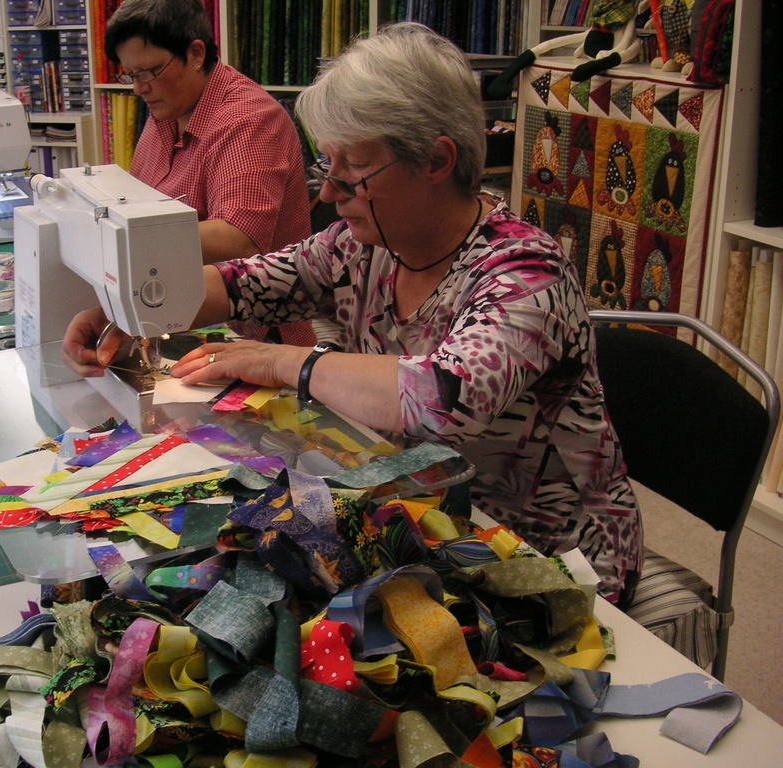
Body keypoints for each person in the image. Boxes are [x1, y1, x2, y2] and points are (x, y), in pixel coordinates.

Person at [64, 22, 642, 606]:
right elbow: (247, 284)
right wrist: (132, 307)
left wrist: (286, 361)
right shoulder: (362, 246)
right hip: (417, 520)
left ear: (436, 160)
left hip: (541, 564)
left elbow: (443, 397)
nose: (327, 194)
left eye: (350, 174)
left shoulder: (526, 273)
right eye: (327, 167)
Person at [101, 0, 317, 344]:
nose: (138, 88)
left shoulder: (248, 120)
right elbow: (134, 203)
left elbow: (238, 239)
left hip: (257, 334)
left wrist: (117, 240)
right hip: (183, 313)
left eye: (148, 72)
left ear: (196, 53)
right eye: (130, 75)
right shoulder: (167, 112)